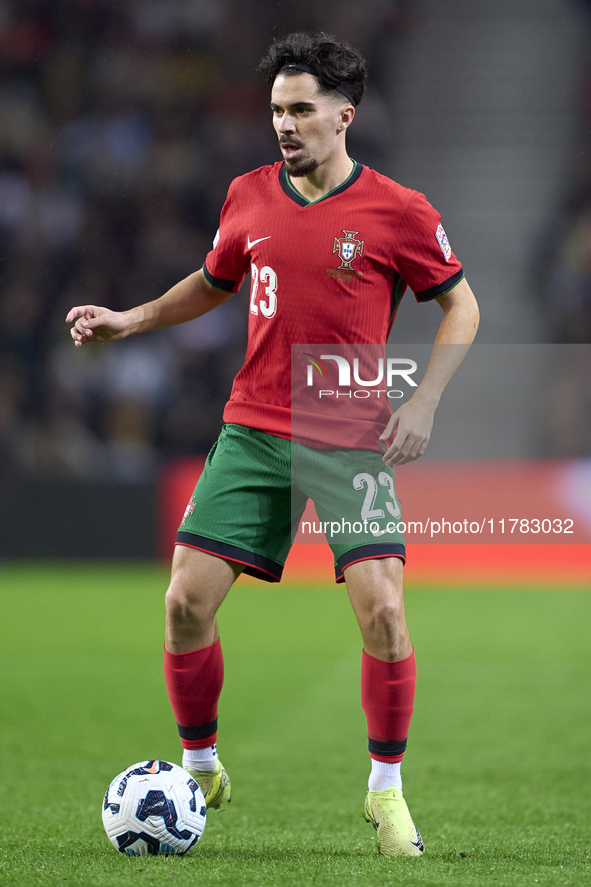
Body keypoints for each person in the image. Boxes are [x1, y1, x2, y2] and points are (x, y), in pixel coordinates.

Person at [67, 31, 479, 858]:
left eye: (299, 110)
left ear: (342, 115)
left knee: (385, 613)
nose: (283, 125)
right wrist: (131, 318)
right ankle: (202, 763)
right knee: (184, 602)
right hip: (253, 427)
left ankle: (385, 793)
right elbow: (211, 282)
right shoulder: (247, 194)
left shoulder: (399, 210)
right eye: (275, 111)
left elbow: (460, 306)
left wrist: (424, 401)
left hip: (349, 435)